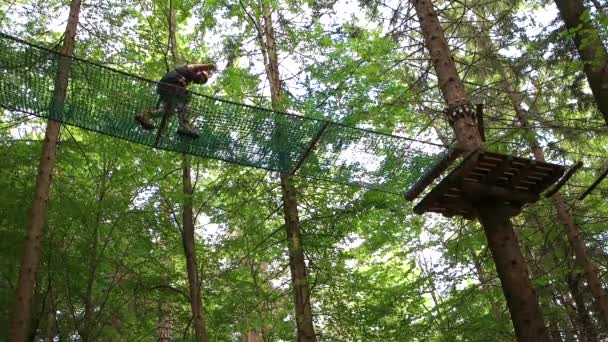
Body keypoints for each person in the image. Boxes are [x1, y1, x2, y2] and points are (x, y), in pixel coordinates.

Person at [135, 63, 217, 138]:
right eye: (202, 78)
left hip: (166, 90)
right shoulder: (190, 70)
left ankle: (145, 116)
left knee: (167, 111)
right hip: (171, 84)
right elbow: (196, 66)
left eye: (202, 82)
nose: (201, 81)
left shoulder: (187, 80)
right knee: (186, 99)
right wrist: (210, 66)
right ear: (200, 73)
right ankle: (185, 126)